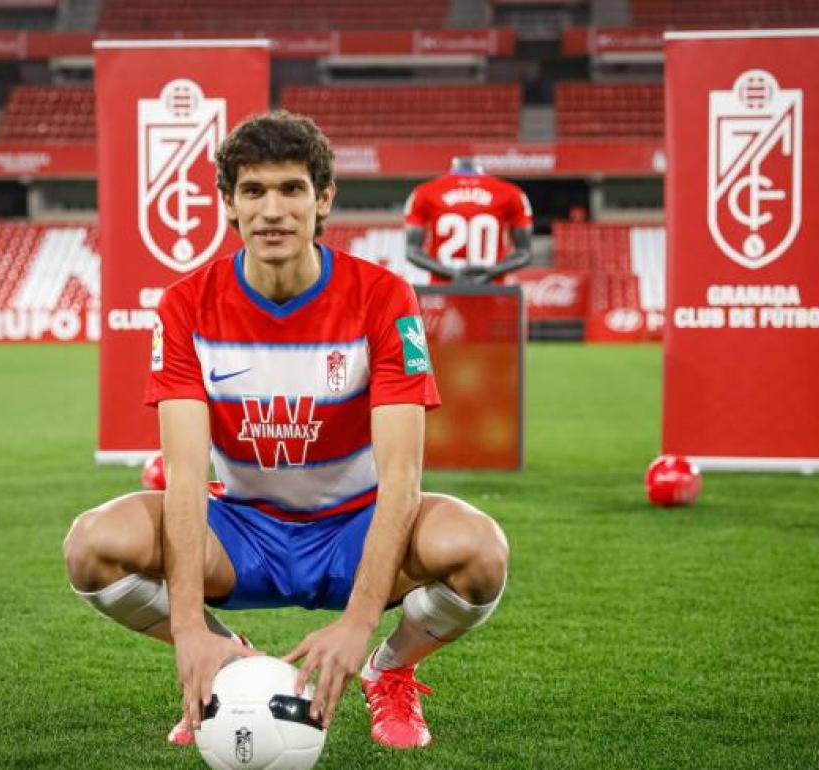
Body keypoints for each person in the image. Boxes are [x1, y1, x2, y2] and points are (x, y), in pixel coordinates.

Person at [63, 111, 509, 750]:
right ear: (228, 204)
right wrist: (191, 629)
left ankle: (391, 671)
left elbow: (404, 478)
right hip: (243, 530)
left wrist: (359, 625)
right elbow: (186, 478)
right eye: (253, 191)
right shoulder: (186, 305)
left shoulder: (382, 297)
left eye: (291, 189)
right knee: (92, 545)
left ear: (323, 197)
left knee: (480, 552)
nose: (272, 210)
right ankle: (228, 660)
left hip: (356, 526)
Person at [403, 156, 533, 285]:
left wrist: (452, 273)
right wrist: (490, 272)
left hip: (443, 291)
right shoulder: (511, 193)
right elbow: (524, 254)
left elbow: (412, 251)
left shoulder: (424, 192)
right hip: (491, 289)